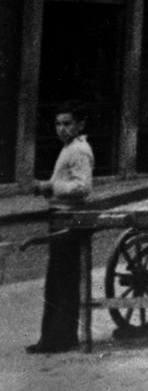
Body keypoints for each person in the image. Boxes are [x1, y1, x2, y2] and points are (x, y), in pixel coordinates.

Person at [24, 102, 93, 354]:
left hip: (68, 218)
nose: (62, 129)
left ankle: (59, 338)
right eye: (58, 124)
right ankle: (58, 336)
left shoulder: (79, 151)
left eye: (67, 123)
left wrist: (50, 187)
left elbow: (83, 187)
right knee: (58, 280)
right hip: (60, 215)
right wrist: (48, 187)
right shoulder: (69, 149)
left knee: (62, 278)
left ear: (80, 125)